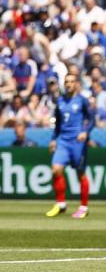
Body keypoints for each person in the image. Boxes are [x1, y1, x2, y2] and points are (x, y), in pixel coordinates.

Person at [46, 73, 95, 219]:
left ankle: (83, 207)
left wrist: (85, 132)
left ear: (76, 84)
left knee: (80, 174)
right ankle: (61, 204)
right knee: (56, 170)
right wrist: (54, 139)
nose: (69, 84)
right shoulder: (60, 101)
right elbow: (58, 124)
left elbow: (91, 119)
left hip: (78, 142)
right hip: (63, 142)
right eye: (66, 81)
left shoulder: (82, 101)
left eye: (72, 82)